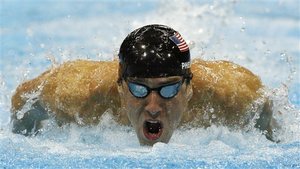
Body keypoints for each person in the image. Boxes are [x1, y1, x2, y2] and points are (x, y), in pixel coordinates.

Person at [11, 24, 279, 145]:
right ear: (119, 86)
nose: (153, 107)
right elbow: (24, 98)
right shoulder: (81, 95)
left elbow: (265, 111)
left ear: (189, 88)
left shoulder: (233, 98)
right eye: (139, 89)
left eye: (169, 89)